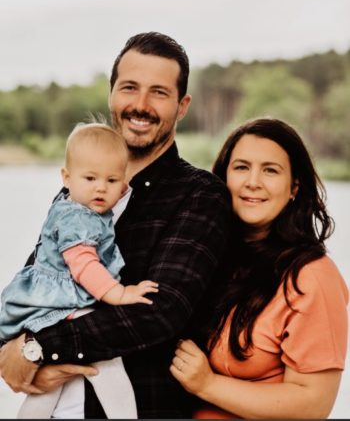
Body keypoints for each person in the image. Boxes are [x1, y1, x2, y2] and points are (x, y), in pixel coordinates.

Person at [0, 32, 232, 419]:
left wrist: (36, 347)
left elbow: (158, 312)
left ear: (182, 105)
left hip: (138, 406)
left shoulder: (199, 195)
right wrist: (7, 348)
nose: (140, 105)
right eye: (129, 88)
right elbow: (38, 278)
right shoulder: (76, 189)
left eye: (159, 92)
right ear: (111, 94)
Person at [170, 117, 349, 419]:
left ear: (294, 187)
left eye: (270, 170)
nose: (253, 181)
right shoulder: (208, 254)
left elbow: (313, 405)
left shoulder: (312, 276)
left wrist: (208, 385)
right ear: (224, 177)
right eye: (241, 167)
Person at [0, 121, 159, 419]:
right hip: (60, 302)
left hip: (52, 302)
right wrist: (120, 293)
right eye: (90, 178)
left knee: (51, 384)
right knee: (109, 365)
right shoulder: (78, 219)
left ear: (124, 184)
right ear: (66, 177)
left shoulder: (75, 205)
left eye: (112, 181)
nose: (101, 187)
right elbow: (84, 266)